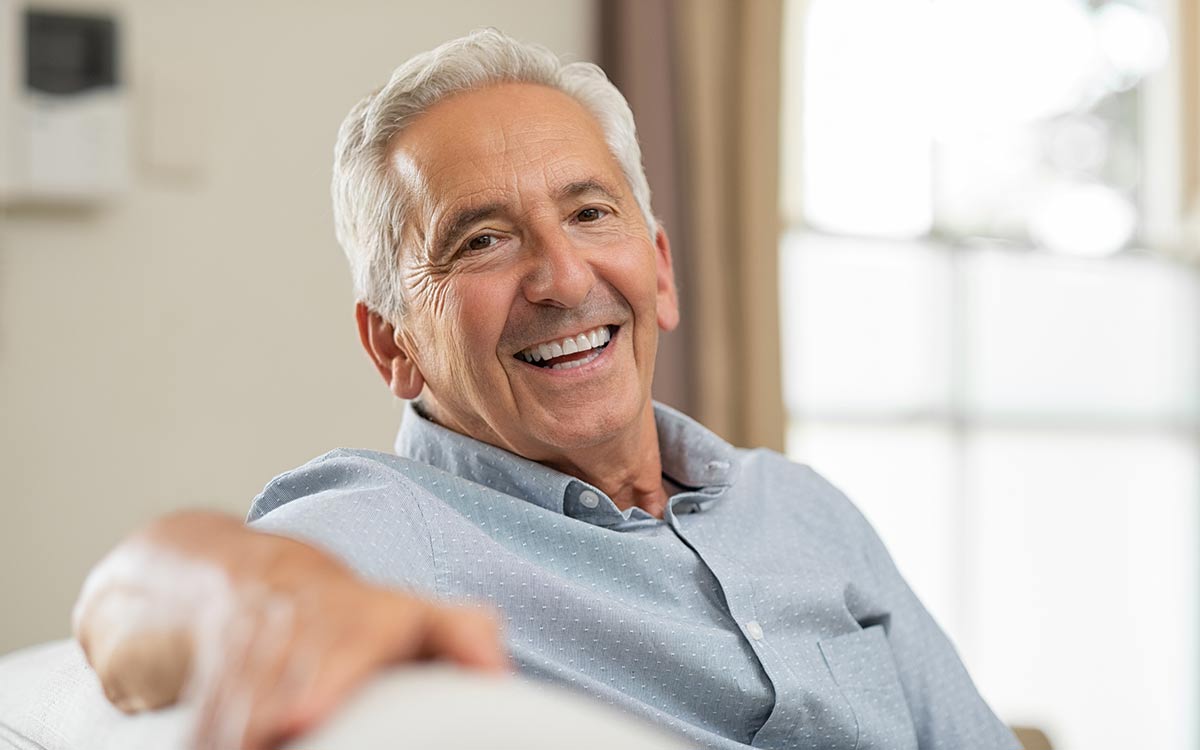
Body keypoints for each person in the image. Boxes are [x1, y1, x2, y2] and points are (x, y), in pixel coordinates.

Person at [73, 29, 1022, 750]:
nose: (563, 279)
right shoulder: (400, 531)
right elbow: (128, 600)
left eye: (589, 212)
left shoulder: (805, 509)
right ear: (393, 345)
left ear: (659, 271)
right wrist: (268, 597)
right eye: (481, 239)